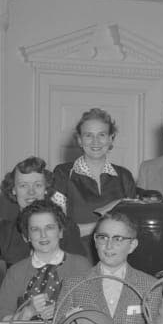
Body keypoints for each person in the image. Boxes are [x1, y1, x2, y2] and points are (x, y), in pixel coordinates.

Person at [0, 156, 86, 323]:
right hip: (14, 322)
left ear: (46, 189)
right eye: (23, 185)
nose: (31, 192)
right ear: (13, 190)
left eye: (37, 185)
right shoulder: (4, 233)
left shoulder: (66, 229)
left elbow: (83, 281)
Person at [51, 108, 137, 262]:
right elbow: (58, 229)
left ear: (111, 139)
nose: (95, 142)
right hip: (74, 261)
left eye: (102, 135)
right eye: (88, 135)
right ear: (79, 140)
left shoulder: (124, 176)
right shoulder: (63, 174)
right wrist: (102, 226)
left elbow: (132, 230)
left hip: (116, 263)